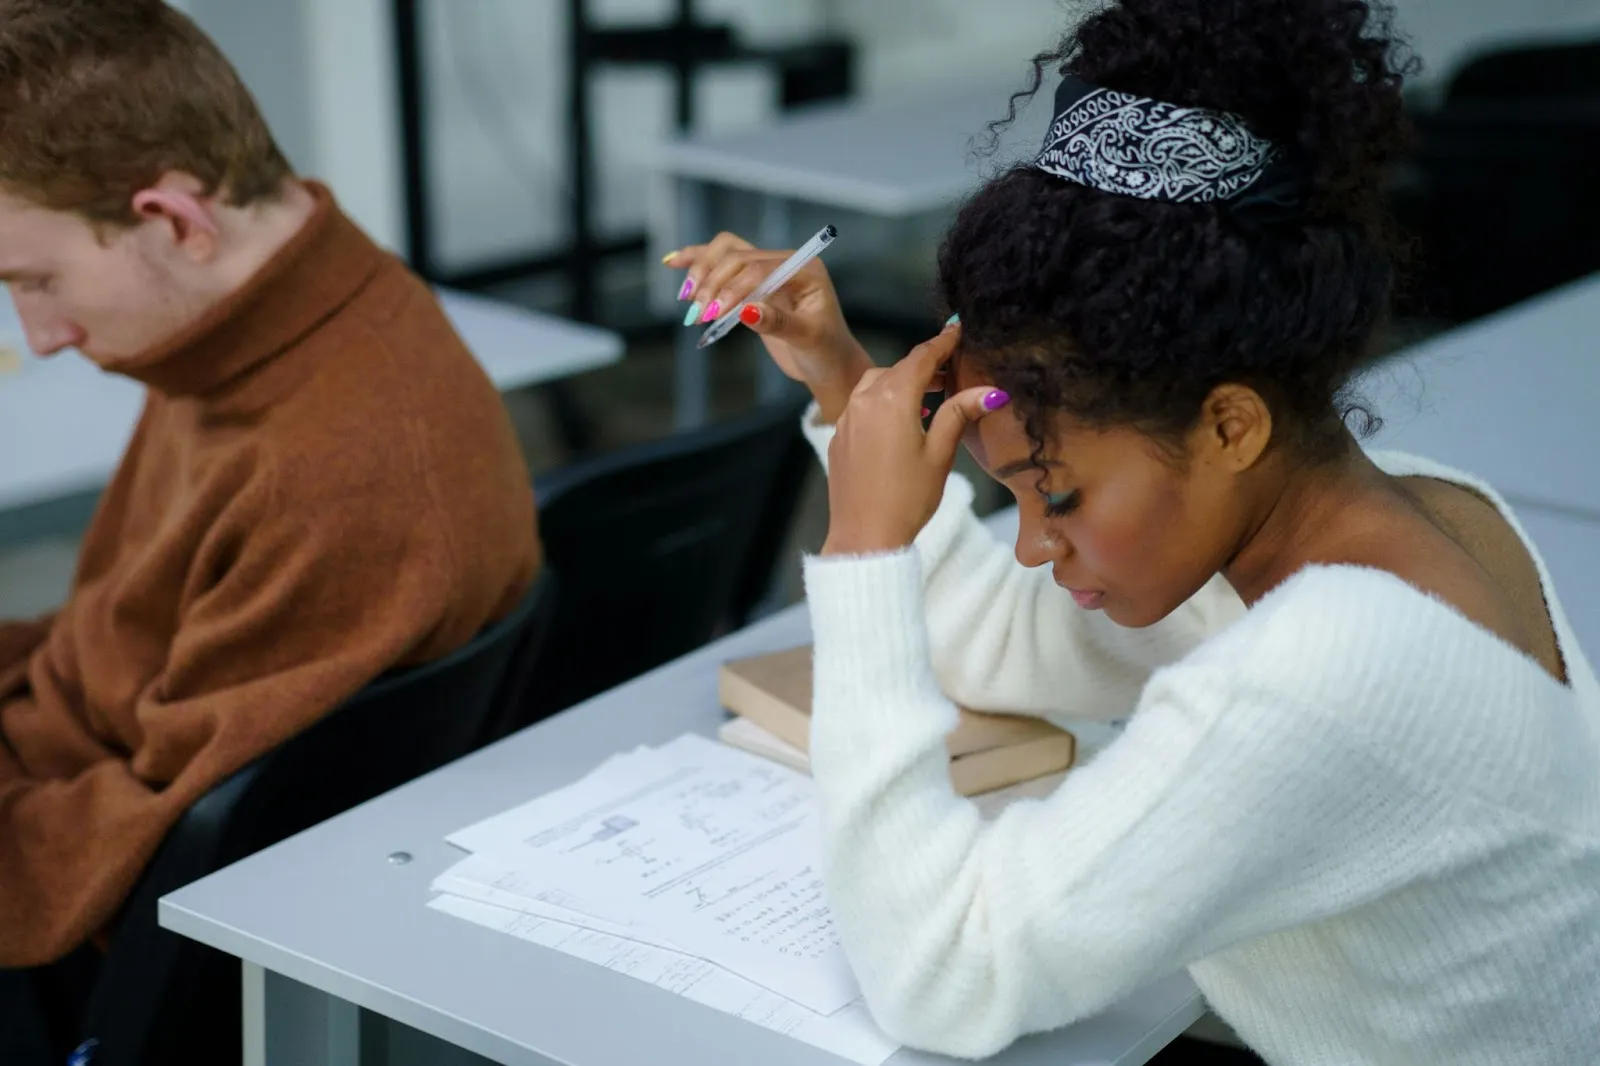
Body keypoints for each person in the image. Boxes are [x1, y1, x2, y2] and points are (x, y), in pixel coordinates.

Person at [665, 1, 1600, 1062]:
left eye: (1053, 495)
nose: (1032, 544)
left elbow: (940, 973)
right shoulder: (1417, 510)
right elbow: (997, 646)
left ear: (1228, 422)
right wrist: (845, 385)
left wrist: (866, 549)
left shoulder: (1326, 664)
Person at [0, 1, 539, 1058]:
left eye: (38, 280)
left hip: (88, 912)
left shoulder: (349, 472)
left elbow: (167, 838)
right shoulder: (244, 326)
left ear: (173, 220)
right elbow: (115, 640)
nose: (41, 336)